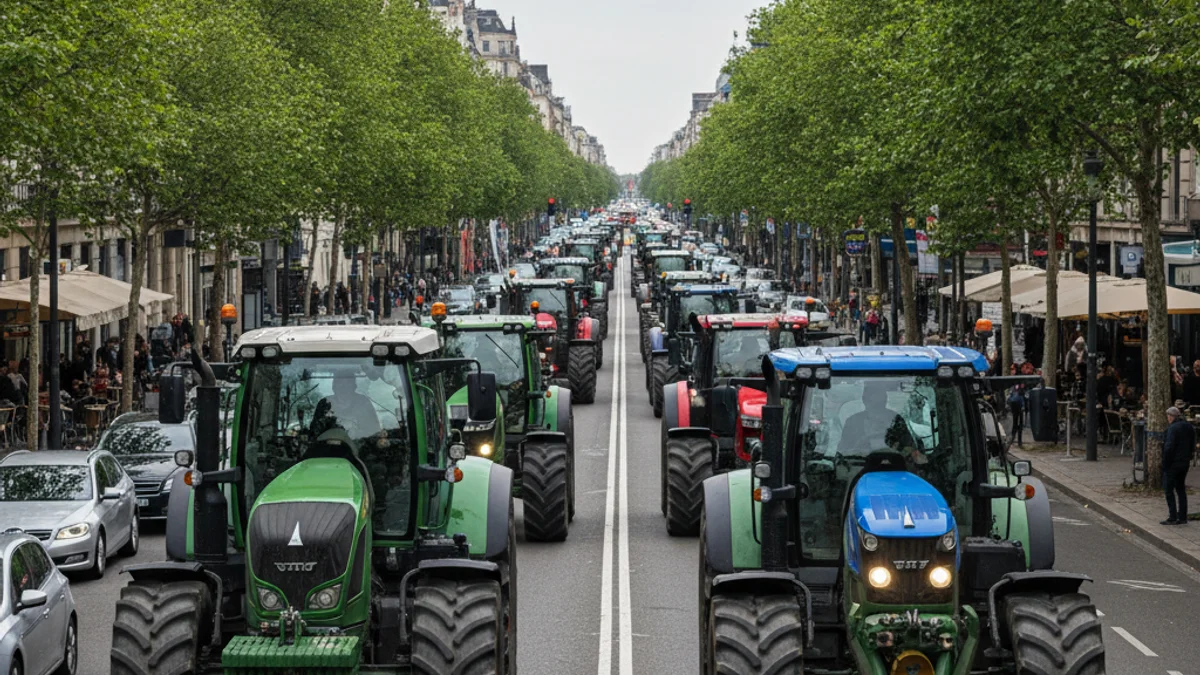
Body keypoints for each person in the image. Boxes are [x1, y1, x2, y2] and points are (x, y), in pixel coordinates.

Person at [838, 383, 915, 455]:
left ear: (885, 401)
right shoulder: (853, 422)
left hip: (893, 461)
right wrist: (860, 445)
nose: (877, 410)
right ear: (865, 401)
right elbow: (843, 451)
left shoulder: (896, 420)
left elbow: (910, 449)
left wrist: (897, 446)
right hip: (861, 461)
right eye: (873, 404)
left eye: (879, 404)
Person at [312, 371, 381, 439]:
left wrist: (356, 433)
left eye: (347, 385)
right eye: (340, 385)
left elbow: (374, 432)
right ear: (334, 387)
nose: (343, 388)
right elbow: (315, 433)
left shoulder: (363, 403)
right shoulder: (325, 404)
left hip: (358, 445)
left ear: (354, 387)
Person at [1162, 406, 1195, 525]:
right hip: (1184, 462)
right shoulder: (1189, 426)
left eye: (1168, 416)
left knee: (1168, 489)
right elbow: (1193, 444)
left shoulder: (1172, 429)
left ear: (1171, 417)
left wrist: (1165, 462)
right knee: (1181, 489)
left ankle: (1172, 516)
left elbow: (1169, 447)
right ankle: (1182, 516)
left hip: (1173, 462)